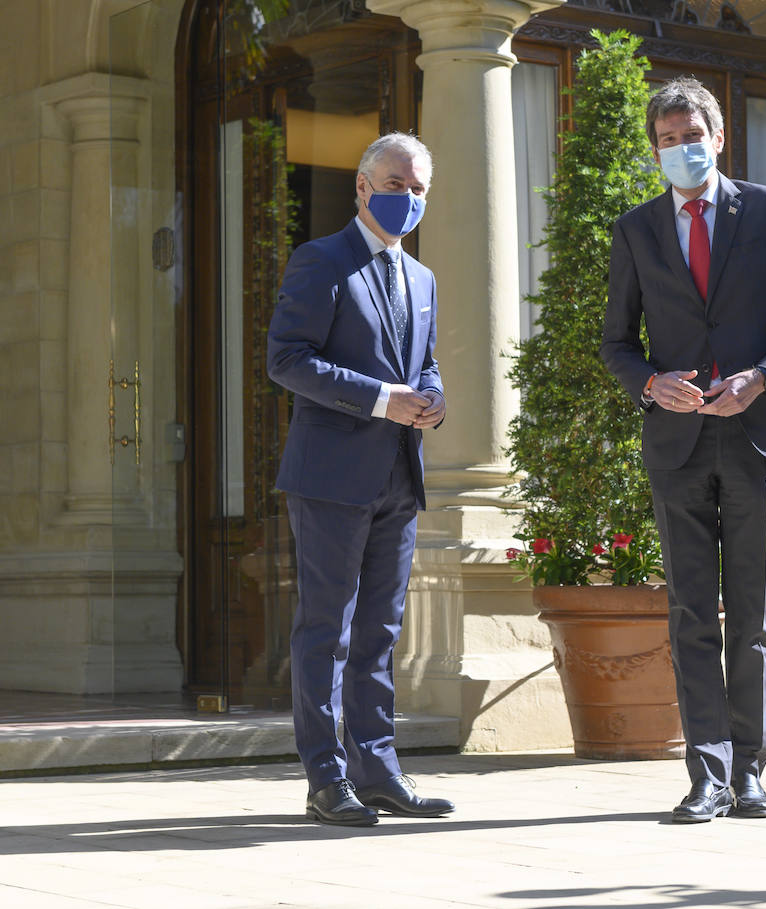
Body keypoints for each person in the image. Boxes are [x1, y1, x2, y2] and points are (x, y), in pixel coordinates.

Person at [601, 77, 766, 823]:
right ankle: (707, 771)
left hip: (756, 439)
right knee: (691, 611)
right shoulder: (636, 230)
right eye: (666, 140)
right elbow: (616, 342)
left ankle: (751, 769)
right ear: (655, 149)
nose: (680, 149)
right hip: (678, 442)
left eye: (690, 136)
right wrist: (651, 383)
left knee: (751, 612)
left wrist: (763, 378)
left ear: (719, 136)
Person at [267, 132, 453, 827]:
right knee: (328, 631)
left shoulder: (423, 277)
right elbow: (286, 359)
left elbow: (423, 363)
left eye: (419, 189)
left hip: (398, 478)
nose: (409, 199)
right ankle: (326, 777)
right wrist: (382, 398)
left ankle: (378, 771)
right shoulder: (321, 261)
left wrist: (432, 397)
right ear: (362, 186)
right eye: (397, 185)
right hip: (331, 479)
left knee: (379, 631)